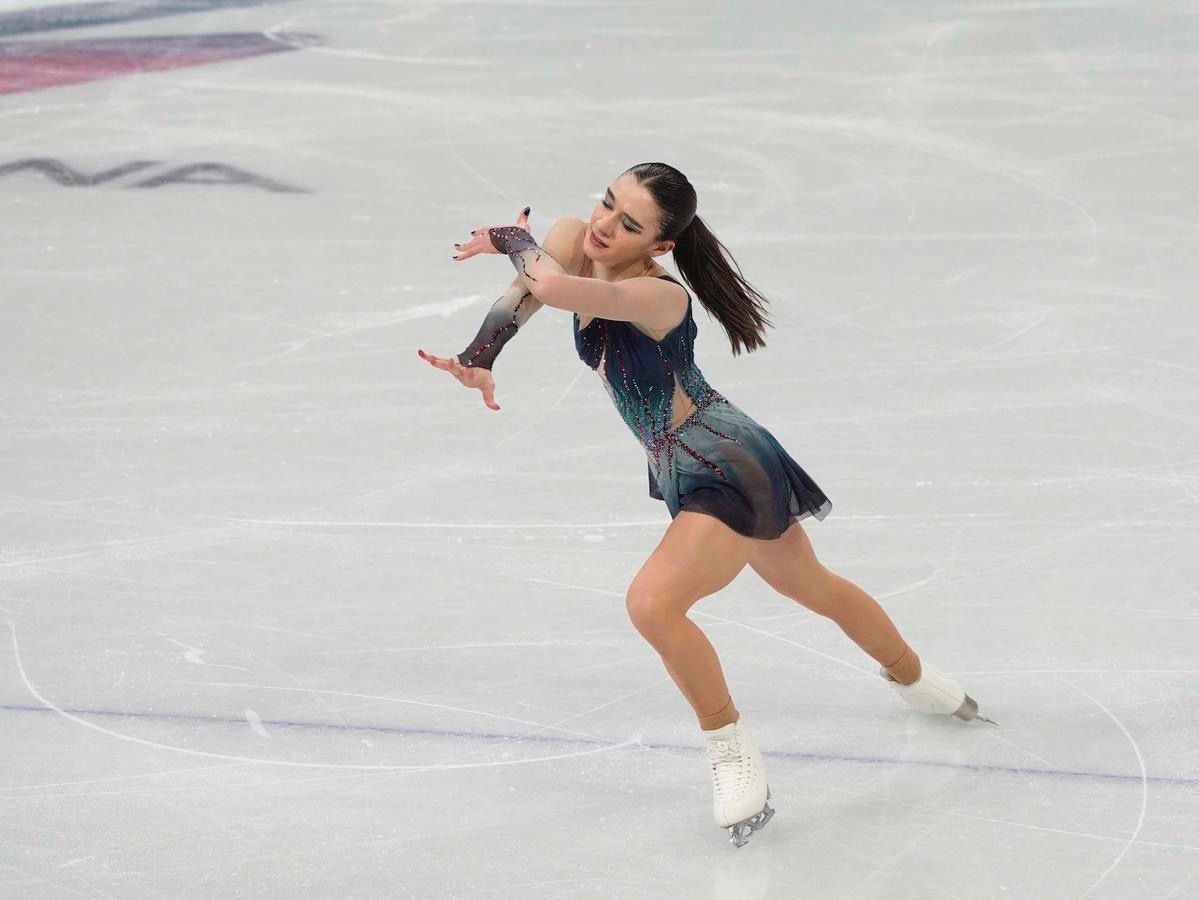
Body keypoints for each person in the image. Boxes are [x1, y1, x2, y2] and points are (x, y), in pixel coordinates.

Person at [418, 162, 992, 848]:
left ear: (659, 245)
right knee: (810, 585)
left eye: (629, 224)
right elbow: (526, 294)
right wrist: (480, 355)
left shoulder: (659, 296)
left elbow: (548, 284)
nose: (604, 225)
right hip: (681, 459)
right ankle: (920, 680)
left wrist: (510, 236)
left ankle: (729, 746)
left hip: (725, 460)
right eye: (607, 202)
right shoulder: (572, 240)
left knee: (653, 604)